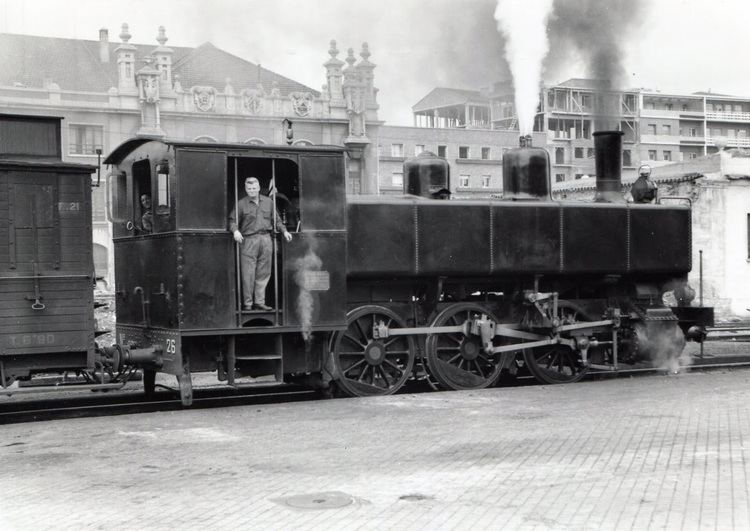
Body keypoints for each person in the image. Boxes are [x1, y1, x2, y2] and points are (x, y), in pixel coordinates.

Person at [228, 177, 292, 311]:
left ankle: (259, 302)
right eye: (249, 189)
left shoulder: (269, 202)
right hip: (248, 240)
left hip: (266, 239)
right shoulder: (241, 204)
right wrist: (235, 231)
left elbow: (277, 220)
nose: (252, 191)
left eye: (254, 188)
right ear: (246, 189)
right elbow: (232, 221)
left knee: (264, 272)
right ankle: (248, 304)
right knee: (248, 273)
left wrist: (284, 231)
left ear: (258, 188)